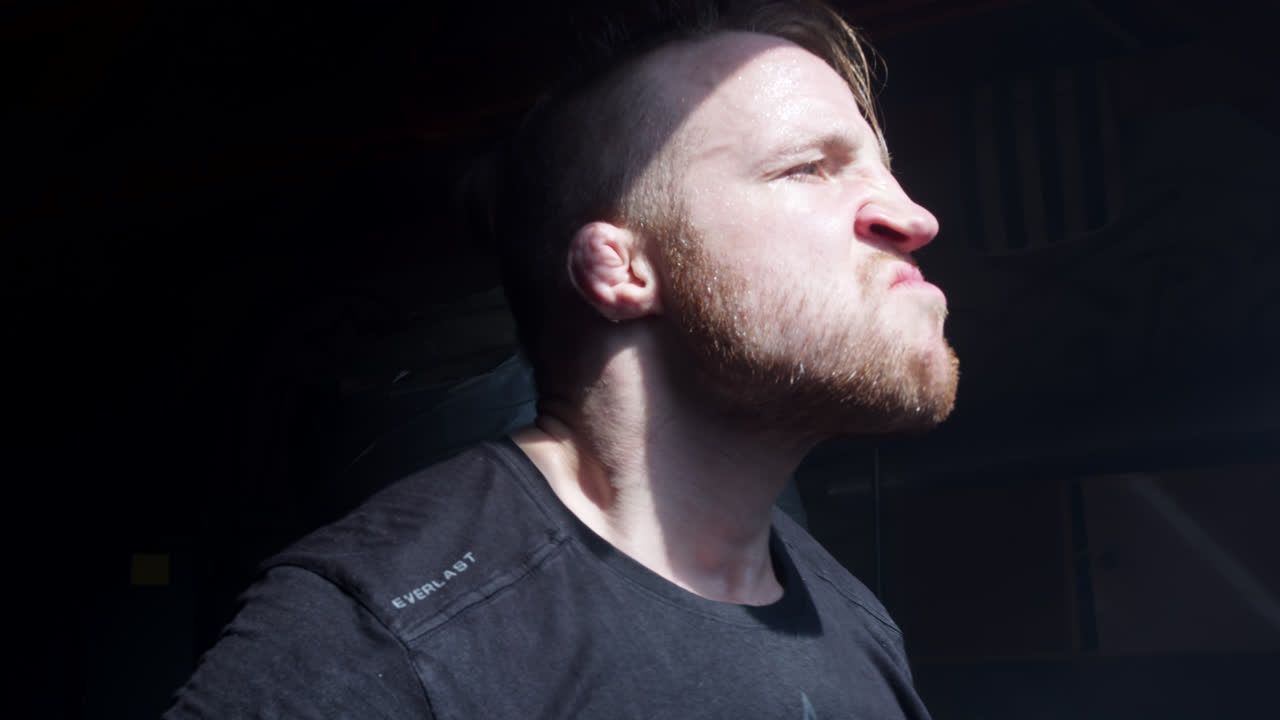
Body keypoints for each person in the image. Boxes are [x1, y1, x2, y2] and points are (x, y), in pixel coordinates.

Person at [165, 0, 958, 717]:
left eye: (885, 171)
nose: (913, 216)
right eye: (808, 168)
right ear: (622, 268)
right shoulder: (383, 632)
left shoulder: (855, 626)